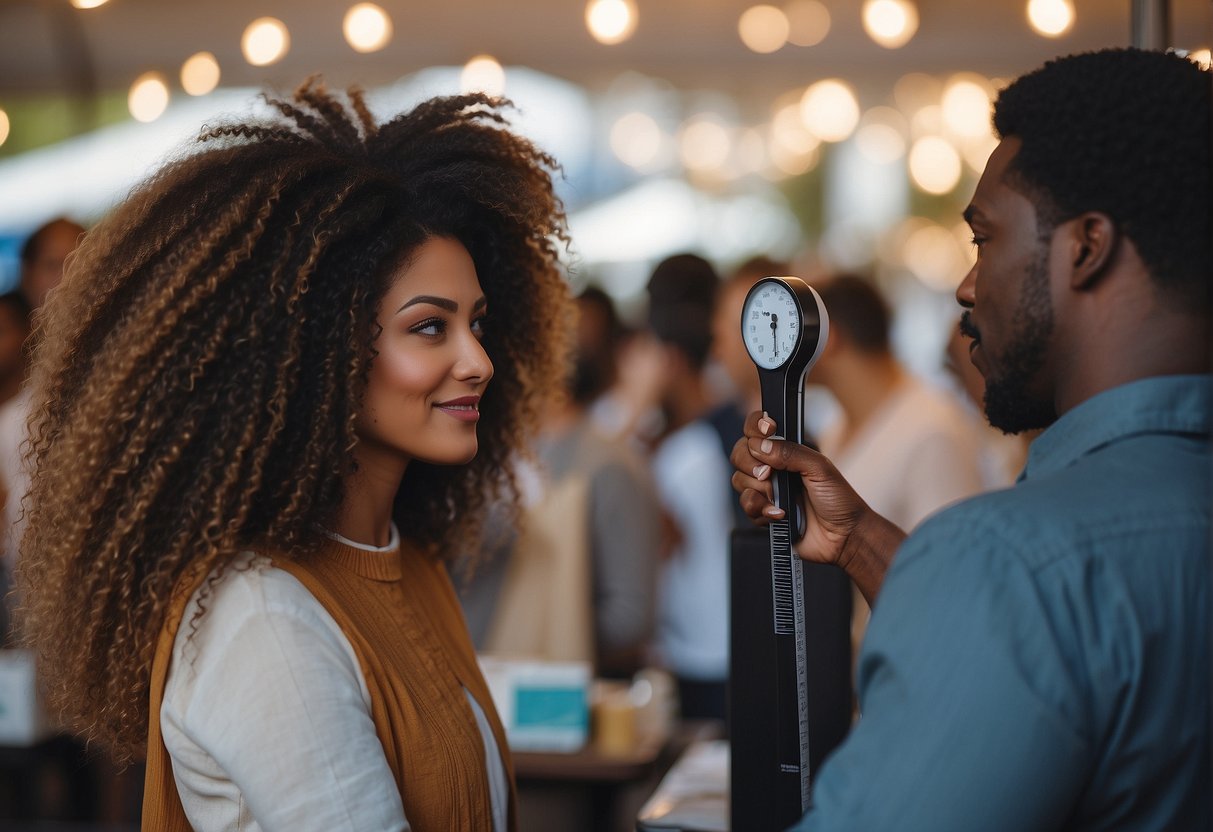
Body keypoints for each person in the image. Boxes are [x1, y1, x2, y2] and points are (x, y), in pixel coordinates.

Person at [16, 80, 572, 832]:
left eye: (476, 321)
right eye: (429, 328)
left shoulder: (409, 562)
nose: (479, 360)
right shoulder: (262, 617)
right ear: (316, 349)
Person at [731, 48, 1209, 829]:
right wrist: (857, 543)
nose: (963, 284)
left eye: (983, 238)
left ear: (1085, 247)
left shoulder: (1008, 565)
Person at [459, 286, 660, 679]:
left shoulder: (608, 466)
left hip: (550, 704)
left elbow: (631, 615)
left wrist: (547, 633)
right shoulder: (474, 451)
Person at [646, 253, 737, 722]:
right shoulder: (723, 425)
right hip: (723, 637)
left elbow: (656, 540)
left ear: (670, 359)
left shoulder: (683, 453)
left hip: (701, 648)